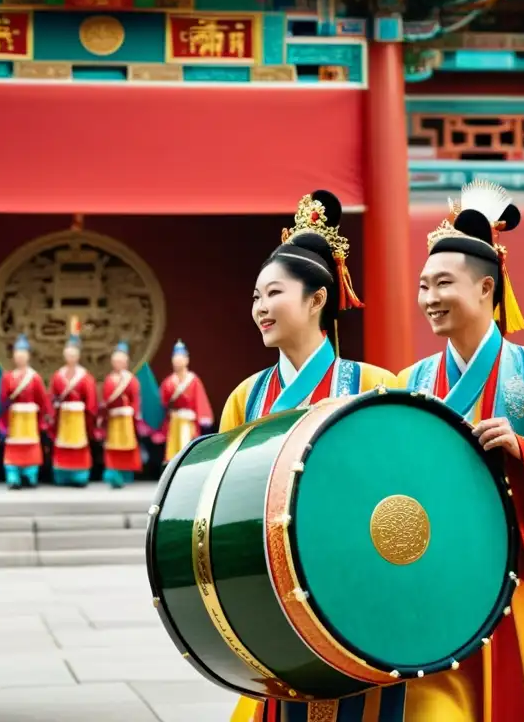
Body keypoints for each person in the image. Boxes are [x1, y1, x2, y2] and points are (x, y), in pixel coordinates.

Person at [394, 179, 524, 721]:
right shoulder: (412, 381)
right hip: (433, 577)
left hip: (516, 582)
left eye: (443, 283)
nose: (429, 298)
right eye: (422, 286)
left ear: (487, 289)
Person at [226, 189, 396, 722]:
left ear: (317, 299)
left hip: (356, 591)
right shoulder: (245, 397)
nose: (258, 308)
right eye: (255, 296)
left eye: (272, 293)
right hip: (272, 597)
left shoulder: (372, 386)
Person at [0, 334, 53, 490]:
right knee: (13, 449)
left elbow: (43, 400)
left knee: (31, 448)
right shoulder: (8, 378)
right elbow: (3, 401)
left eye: (23, 353)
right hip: (14, 420)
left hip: (29, 421)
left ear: (28, 356)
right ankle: (13, 476)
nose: (20, 356)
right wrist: (3, 423)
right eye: (17, 353)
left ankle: (30, 475)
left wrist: (45, 419)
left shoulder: (34, 378)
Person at [49, 317, 97, 487]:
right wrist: (52, 413)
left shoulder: (85, 377)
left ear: (78, 356)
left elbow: (91, 401)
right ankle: (62, 474)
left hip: (78, 418)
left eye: (74, 354)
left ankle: (80, 476)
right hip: (63, 417)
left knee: (78, 446)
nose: (70, 357)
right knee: (62, 445)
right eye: (68, 354)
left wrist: (90, 417)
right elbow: (52, 397)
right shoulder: (58, 375)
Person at [157, 340, 213, 465]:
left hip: (188, 422)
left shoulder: (193, 380)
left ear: (186, 360)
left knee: (188, 447)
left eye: (180, 359)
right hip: (174, 421)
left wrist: (203, 417)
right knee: (172, 451)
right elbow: (162, 403)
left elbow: (200, 401)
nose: (178, 362)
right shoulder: (168, 382)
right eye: (175, 359)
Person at [97, 341, 144, 488]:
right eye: (115, 360)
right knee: (113, 445)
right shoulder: (109, 380)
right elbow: (105, 399)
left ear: (126, 362)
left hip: (126, 419)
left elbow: (135, 399)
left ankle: (126, 472)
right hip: (113, 419)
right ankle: (113, 470)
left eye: (121, 360)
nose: (118, 363)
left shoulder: (131, 380)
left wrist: (135, 415)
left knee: (127, 445)